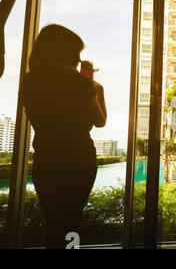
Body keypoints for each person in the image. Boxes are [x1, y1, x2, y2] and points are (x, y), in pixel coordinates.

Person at [19, 24, 107, 249]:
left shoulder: (29, 81)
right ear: (66, 51)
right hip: (78, 160)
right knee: (70, 221)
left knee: (53, 222)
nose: (78, 59)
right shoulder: (82, 83)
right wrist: (96, 88)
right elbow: (99, 121)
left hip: (46, 159)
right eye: (77, 52)